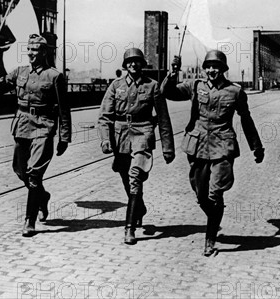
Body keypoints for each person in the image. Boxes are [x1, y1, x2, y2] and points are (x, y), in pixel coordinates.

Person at [161, 50, 264, 257]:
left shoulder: (235, 91)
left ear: (223, 69)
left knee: (214, 193)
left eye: (215, 67)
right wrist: (172, 73)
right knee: (201, 195)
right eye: (208, 67)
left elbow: (246, 118)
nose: (211, 70)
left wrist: (256, 146)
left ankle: (210, 239)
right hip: (197, 146)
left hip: (222, 146)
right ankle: (215, 216)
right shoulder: (195, 86)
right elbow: (168, 93)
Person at [0, 34, 71, 237]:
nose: (31, 53)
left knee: (34, 175)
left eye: (36, 50)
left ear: (44, 52)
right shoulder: (19, 72)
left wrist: (64, 137)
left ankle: (29, 221)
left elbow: (64, 109)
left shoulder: (54, 76)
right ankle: (42, 196)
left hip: (43, 127)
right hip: (22, 125)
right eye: (29, 50)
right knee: (20, 171)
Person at [98, 48, 175, 245]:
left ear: (142, 64)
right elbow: (105, 116)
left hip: (143, 131)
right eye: (129, 62)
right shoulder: (116, 86)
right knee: (125, 174)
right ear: (125, 65)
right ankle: (139, 207)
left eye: (137, 61)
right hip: (121, 134)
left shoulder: (152, 86)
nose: (133, 64)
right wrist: (105, 139)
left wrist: (168, 147)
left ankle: (129, 228)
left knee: (135, 176)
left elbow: (164, 119)